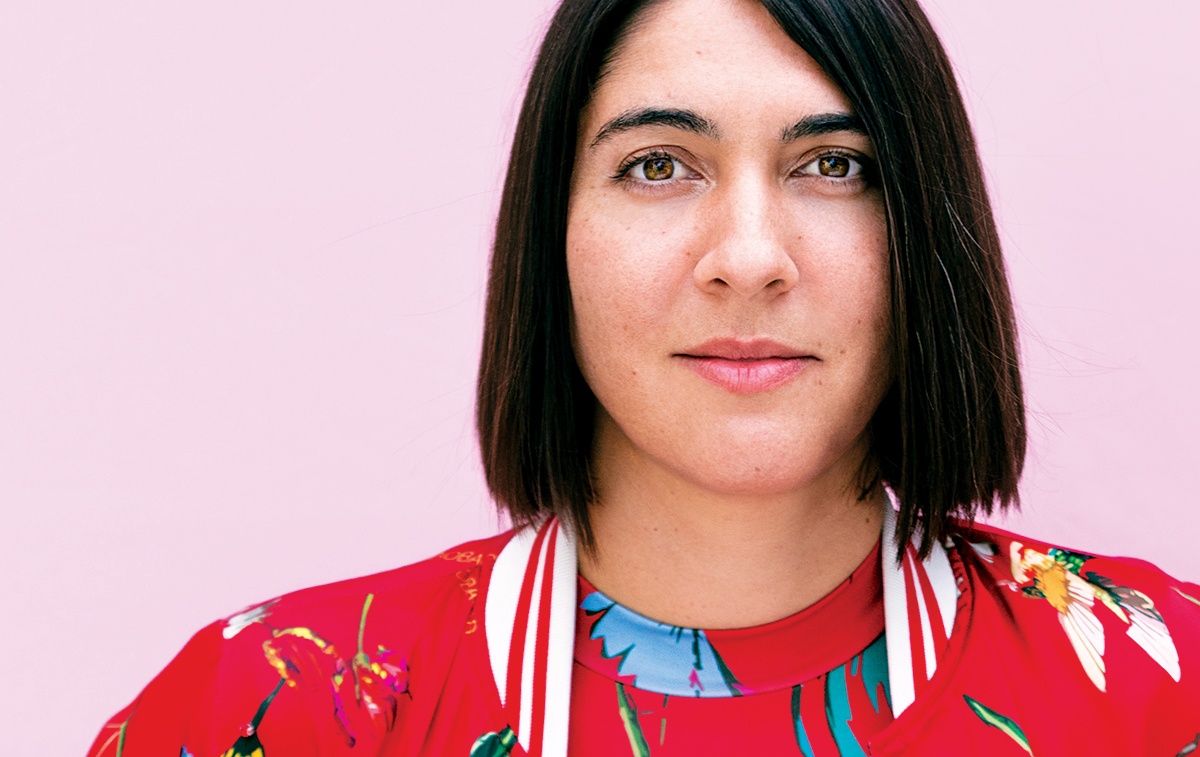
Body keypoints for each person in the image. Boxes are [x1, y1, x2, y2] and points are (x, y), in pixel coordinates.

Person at [88, 0, 1200, 754]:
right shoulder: (276, 708)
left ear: (928, 231)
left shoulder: (1161, 691)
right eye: (658, 164)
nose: (750, 257)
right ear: (552, 236)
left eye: (835, 164)